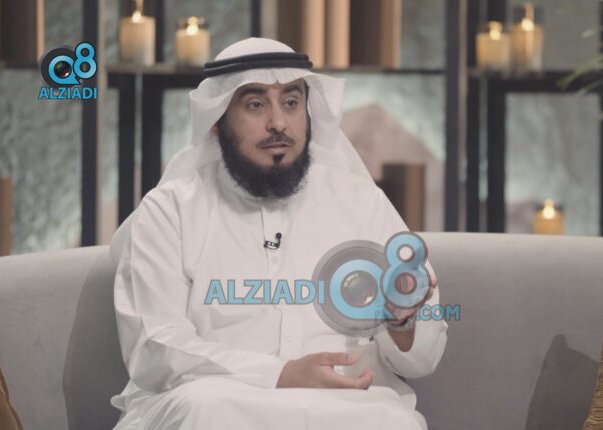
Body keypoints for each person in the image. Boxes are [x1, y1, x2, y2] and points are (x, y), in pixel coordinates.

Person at [108, 37, 448, 430]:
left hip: (341, 406)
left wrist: (402, 323)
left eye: (290, 102)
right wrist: (280, 374)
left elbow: (422, 360)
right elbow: (153, 346)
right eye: (256, 105)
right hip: (218, 399)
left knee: (393, 422)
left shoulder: (362, 204)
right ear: (217, 121)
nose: (278, 123)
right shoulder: (171, 210)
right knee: (206, 409)